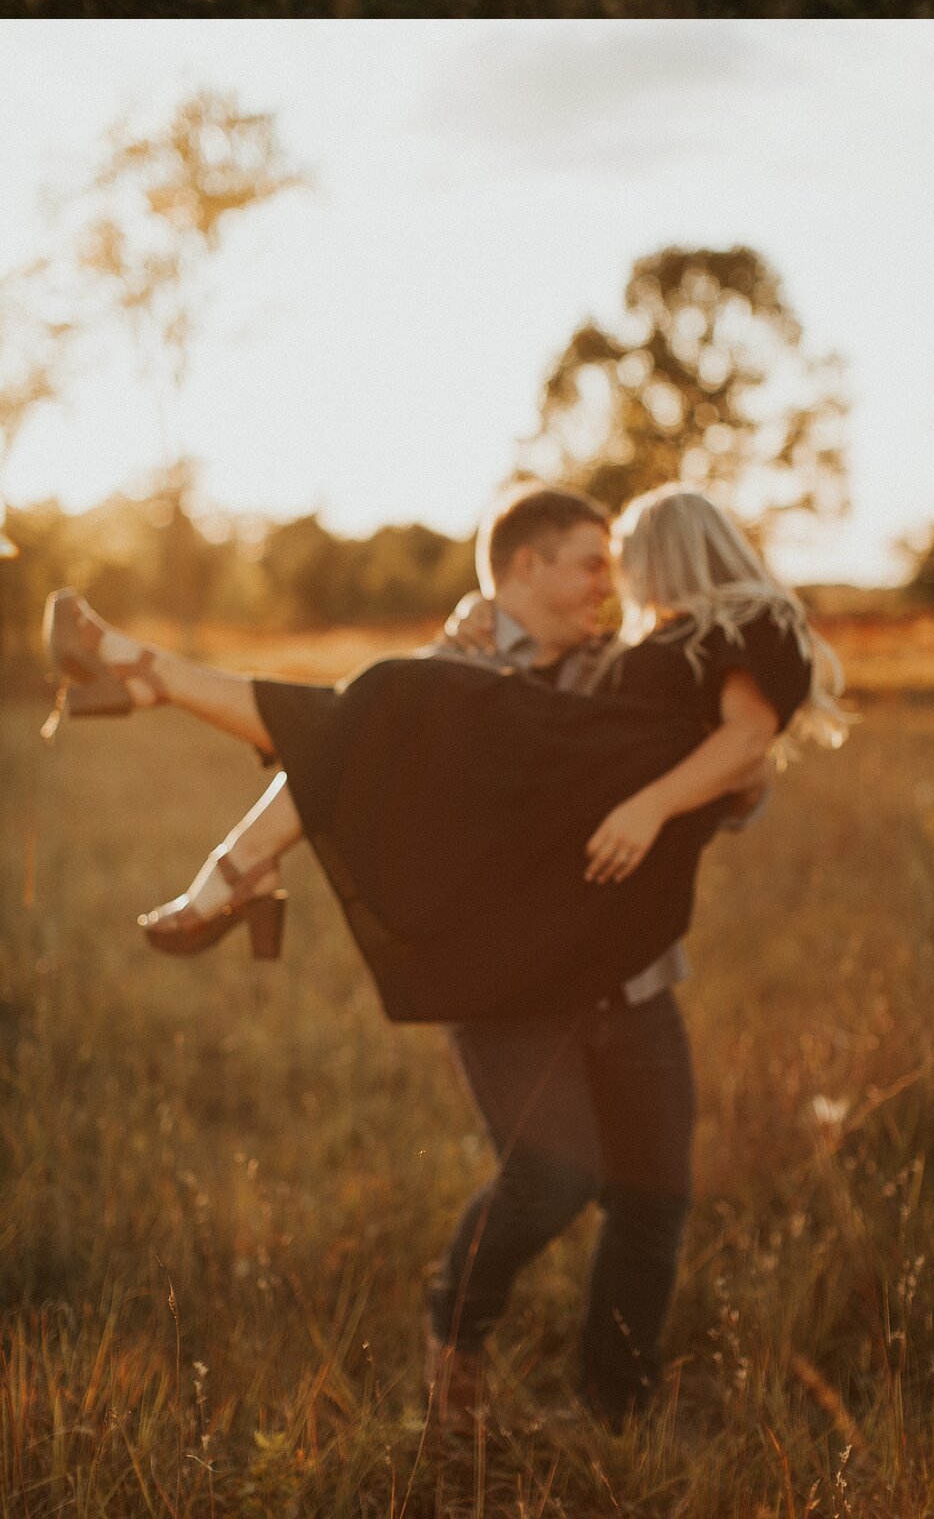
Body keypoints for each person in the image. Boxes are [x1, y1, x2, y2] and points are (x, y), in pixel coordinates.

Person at [40, 486, 844, 1429]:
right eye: (590, 562)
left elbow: (729, 767)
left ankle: (616, 1414)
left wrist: (695, 788)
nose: (608, 584)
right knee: (551, 1179)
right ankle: (454, 1328)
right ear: (523, 567)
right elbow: (342, 753)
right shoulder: (442, 674)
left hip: (633, 975)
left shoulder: (624, 668)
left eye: (616, 564)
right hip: (509, 972)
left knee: (653, 1201)